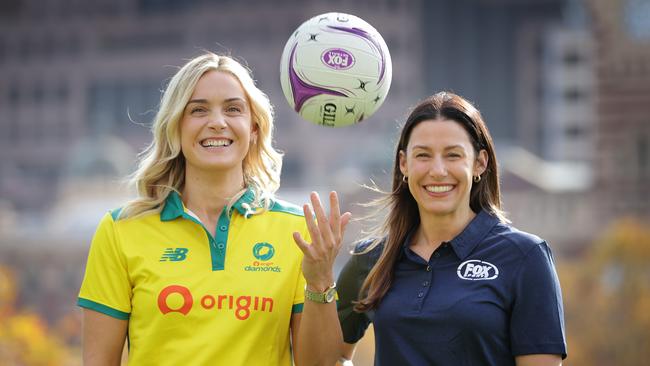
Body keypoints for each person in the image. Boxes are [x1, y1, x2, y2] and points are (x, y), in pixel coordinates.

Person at [77, 52, 350, 365]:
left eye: (233, 109)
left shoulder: (297, 231)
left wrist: (320, 282)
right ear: (175, 128)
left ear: (255, 129)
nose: (217, 122)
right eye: (198, 110)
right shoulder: (120, 231)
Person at [337, 92, 567, 365]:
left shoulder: (526, 257)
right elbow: (322, 360)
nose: (437, 170)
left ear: (480, 163)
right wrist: (317, 281)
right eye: (423, 155)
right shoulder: (372, 258)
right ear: (403, 163)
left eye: (453, 155)